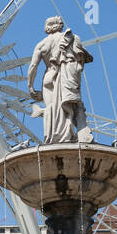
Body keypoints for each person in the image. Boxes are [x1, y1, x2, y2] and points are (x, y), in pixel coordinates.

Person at [27, 15, 93, 144]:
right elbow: (80, 59)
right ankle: (67, 135)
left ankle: (52, 137)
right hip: (65, 75)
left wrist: (30, 86)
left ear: (47, 27)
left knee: (51, 107)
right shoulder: (71, 38)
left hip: (49, 76)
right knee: (65, 107)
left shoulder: (41, 44)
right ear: (60, 25)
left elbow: (33, 66)